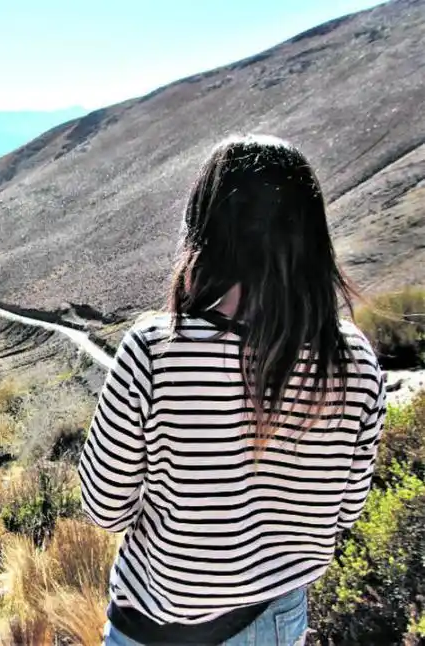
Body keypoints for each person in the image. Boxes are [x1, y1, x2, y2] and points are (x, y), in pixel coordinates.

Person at [79, 134, 386, 646]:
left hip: (158, 624)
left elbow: (105, 507)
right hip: (277, 618)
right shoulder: (354, 358)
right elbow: (347, 510)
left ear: (205, 231)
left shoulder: (155, 349)